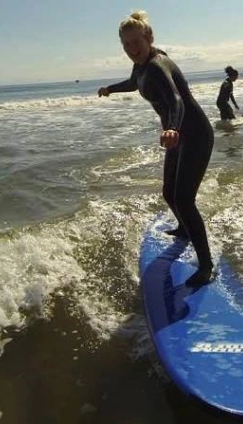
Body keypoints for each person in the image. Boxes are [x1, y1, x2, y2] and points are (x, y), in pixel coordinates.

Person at [97, 11, 215, 286]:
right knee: (168, 192)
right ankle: (185, 231)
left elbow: (176, 100)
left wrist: (172, 127)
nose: (131, 49)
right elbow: (133, 82)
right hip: (176, 136)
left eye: (136, 42)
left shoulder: (156, 66)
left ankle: (206, 265)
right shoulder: (141, 66)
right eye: (126, 44)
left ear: (148, 38)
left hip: (194, 134)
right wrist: (111, 89)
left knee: (184, 199)